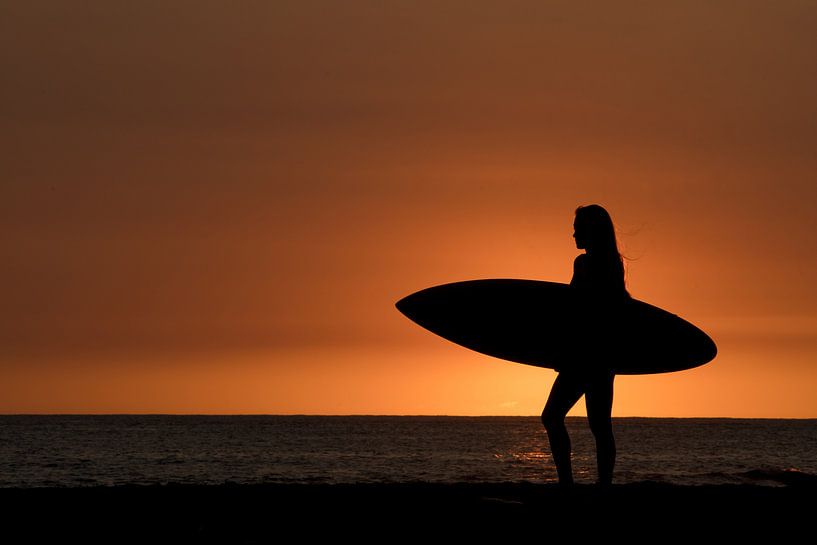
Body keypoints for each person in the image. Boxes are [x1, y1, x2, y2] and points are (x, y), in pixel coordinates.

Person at [541, 204, 630, 486]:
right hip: (596, 357)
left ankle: (573, 485)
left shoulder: (598, 265)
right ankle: (596, 486)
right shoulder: (598, 263)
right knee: (596, 426)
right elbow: (575, 309)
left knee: (560, 418)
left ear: (591, 231)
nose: (573, 234)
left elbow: (583, 310)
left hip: (590, 356)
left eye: (577, 228)